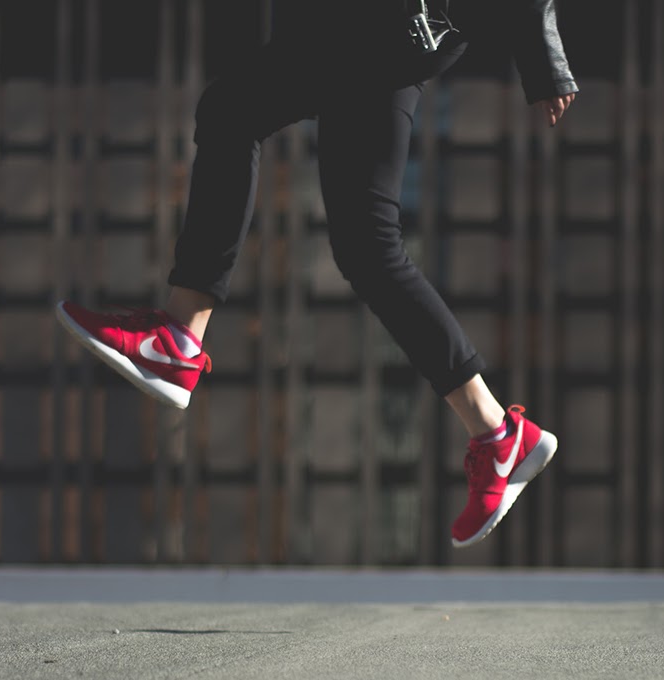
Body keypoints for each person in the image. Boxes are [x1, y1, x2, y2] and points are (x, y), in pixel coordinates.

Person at [56, 0, 578, 548]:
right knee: (367, 247)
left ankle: (178, 339)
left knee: (231, 112)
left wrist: (546, 61)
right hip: (387, 35)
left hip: (380, 24)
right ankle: (497, 433)